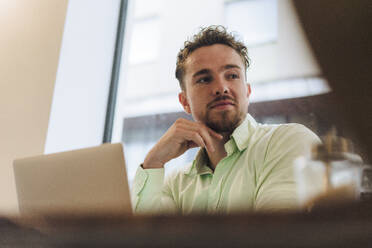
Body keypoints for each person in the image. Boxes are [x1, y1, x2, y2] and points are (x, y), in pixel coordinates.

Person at [131, 25, 320, 215]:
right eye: (205, 79)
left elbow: (277, 236)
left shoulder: (288, 141)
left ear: (247, 92)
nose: (221, 88)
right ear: (184, 101)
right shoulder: (175, 185)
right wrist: (153, 161)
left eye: (232, 75)